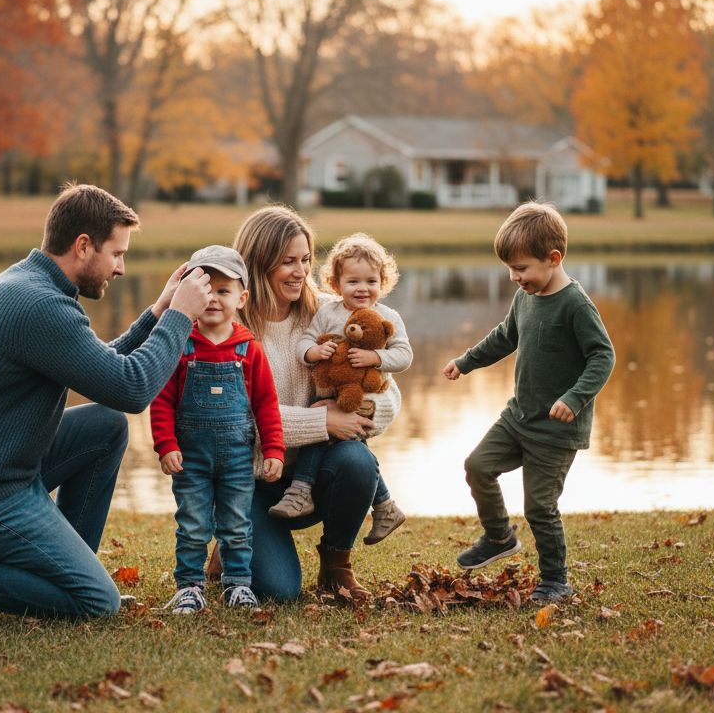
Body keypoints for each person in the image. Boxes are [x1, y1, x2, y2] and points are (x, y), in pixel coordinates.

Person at [0, 183, 212, 621]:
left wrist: (157, 312)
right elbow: (132, 389)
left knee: (105, 426)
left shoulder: (33, 284)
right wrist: (180, 317)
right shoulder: (38, 305)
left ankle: (66, 568)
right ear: (82, 246)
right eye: (116, 254)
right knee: (97, 603)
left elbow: (105, 367)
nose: (121, 268)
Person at [442, 201, 614, 604]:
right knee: (477, 466)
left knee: (539, 506)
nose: (515, 277)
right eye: (510, 269)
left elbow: (603, 356)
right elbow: (505, 337)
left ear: (554, 259)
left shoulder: (575, 305)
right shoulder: (525, 298)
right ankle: (499, 536)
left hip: (556, 431)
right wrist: (466, 362)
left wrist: (575, 397)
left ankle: (556, 580)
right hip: (518, 418)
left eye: (521, 269)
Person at [226, 207, 402, 602]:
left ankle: (336, 564)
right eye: (287, 261)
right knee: (279, 591)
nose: (300, 271)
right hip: (250, 480)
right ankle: (228, 543)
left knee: (356, 460)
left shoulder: (329, 313)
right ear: (257, 262)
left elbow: (388, 391)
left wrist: (360, 413)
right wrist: (322, 422)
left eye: (305, 259)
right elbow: (232, 422)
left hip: (315, 472)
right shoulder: (230, 328)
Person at [150, 245, 285, 614]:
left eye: (223, 291)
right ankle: (189, 587)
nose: (213, 299)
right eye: (206, 290)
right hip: (190, 458)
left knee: (237, 524)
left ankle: (238, 585)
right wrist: (166, 444)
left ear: (241, 298)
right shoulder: (180, 343)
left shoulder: (248, 349)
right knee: (192, 524)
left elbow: (266, 405)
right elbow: (161, 400)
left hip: (237, 459)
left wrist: (274, 449)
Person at [270, 234, 411, 547]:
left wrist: (376, 358)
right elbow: (307, 339)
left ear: (383, 282)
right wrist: (312, 353)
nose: (362, 288)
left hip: (361, 395)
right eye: (353, 281)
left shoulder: (388, 318)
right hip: (328, 396)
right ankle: (384, 505)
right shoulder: (327, 312)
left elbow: (404, 356)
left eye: (371, 281)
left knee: (353, 450)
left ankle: (303, 492)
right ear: (335, 284)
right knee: (318, 428)